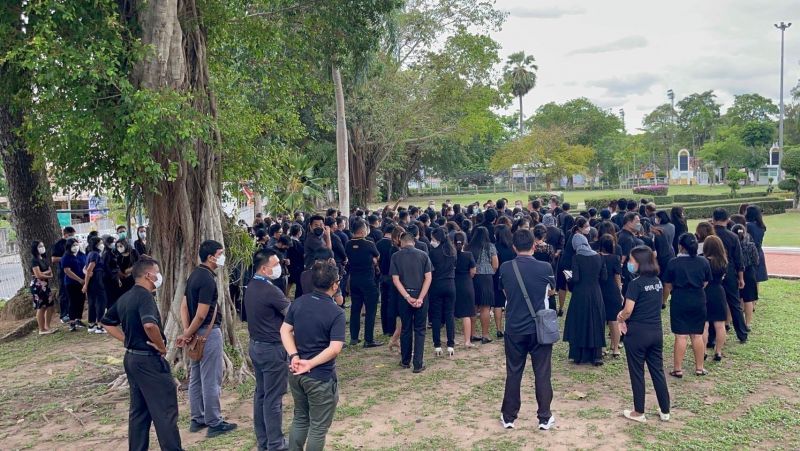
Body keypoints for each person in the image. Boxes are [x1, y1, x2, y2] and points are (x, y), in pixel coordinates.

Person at [100, 258, 183, 451]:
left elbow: (107, 322)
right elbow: (149, 325)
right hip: (148, 360)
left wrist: (126, 340)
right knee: (165, 411)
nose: (159, 276)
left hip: (132, 358)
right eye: (157, 272)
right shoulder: (145, 297)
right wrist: (161, 346)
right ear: (148, 275)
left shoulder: (126, 297)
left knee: (139, 411)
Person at [280, 261, 345, 451]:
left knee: (300, 418)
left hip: (297, 374)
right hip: (320, 378)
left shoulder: (298, 302)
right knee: (318, 427)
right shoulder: (336, 313)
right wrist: (309, 363)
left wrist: (294, 356)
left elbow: (284, 331)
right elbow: (334, 349)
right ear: (335, 284)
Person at [177, 240, 237, 437]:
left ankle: (198, 418)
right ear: (211, 257)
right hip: (208, 333)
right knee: (211, 378)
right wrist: (188, 334)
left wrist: (188, 332)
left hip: (195, 333)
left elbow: (184, 306)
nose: (222, 257)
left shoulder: (194, 275)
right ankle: (214, 421)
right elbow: (202, 313)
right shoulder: (207, 279)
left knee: (196, 377)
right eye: (221, 253)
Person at [498, 229, 556, 431]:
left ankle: (509, 416)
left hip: (514, 327)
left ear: (514, 247)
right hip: (540, 328)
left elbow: (505, 291)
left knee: (514, 372)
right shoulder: (545, 267)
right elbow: (551, 290)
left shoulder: (506, 268)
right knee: (542, 372)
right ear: (534, 246)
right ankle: (544, 417)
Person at [616, 246, 670, 423]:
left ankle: (639, 412)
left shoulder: (635, 284)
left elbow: (629, 309)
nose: (629, 264)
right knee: (658, 371)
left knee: (637, 372)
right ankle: (665, 410)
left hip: (637, 333)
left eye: (631, 261)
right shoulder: (657, 281)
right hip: (656, 331)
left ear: (639, 263)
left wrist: (621, 317)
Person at [245, 249, 290, 451]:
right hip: (272, 349)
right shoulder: (271, 290)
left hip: (256, 346)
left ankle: (264, 441)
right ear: (264, 268)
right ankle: (275, 444)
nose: (279, 267)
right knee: (273, 398)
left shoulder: (252, 286)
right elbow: (291, 315)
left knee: (262, 395)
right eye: (276, 264)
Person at [663, 234, 712, 377]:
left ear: (681, 246)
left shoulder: (673, 262)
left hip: (680, 298)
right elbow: (705, 282)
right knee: (697, 335)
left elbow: (667, 284)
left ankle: (678, 369)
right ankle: (699, 367)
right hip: (698, 298)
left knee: (681, 336)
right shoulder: (703, 262)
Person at [563, 231, 607, 366]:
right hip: (595, 292)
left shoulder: (577, 257)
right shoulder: (599, 256)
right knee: (595, 320)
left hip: (580, 293)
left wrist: (568, 278)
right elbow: (604, 277)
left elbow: (575, 278)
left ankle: (579, 355)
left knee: (580, 321)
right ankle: (596, 355)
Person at [391, 232, 433, 373]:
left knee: (406, 328)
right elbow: (428, 278)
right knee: (420, 330)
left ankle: (405, 360)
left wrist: (407, 297)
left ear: (401, 242)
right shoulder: (423, 255)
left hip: (404, 297)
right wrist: (420, 297)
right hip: (421, 295)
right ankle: (418, 363)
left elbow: (395, 280)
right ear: (413, 242)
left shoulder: (396, 256)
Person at [709, 209, 748, 345]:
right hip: (729, 271)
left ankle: (710, 337)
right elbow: (739, 260)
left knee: (711, 304)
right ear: (727, 219)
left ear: (713, 219)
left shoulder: (709, 235)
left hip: (711, 272)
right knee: (735, 303)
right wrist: (741, 278)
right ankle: (742, 333)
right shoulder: (732, 236)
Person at [344, 219, 382, 348]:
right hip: (368, 280)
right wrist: (373, 260)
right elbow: (377, 257)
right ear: (362, 231)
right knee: (370, 311)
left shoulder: (348, 244)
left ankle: (354, 338)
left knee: (355, 308)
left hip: (354, 280)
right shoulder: (369, 243)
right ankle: (368, 339)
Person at [428, 228, 457, 357]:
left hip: (436, 285)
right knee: (450, 315)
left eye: (433, 239)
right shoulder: (452, 251)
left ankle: (437, 345)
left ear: (437, 239)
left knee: (436, 316)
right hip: (450, 284)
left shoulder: (433, 253)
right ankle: (450, 344)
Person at [466, 226, 498, 343]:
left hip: (472, 278)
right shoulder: (490, 246)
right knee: (485, 307)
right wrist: (490, 272)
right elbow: (495, 264)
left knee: (473, 307)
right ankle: (485, 335)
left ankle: (472, 333)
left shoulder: (468, 247)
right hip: (486, 278)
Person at [702, 236, 729, 361]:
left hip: (705, 292)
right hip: (719, 291)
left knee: (704, 324)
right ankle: (718, 352)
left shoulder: (704, 260)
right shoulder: (723, 261)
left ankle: (703, 351)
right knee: (720, 324)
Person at [597, 234, 623, 357]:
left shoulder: (596, 257)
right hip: (612, 289)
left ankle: (602, 347)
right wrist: (620, 291)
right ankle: (616, 348)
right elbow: (617, 276)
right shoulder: (615, 258)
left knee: (600, 320)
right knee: (614, 321)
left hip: (599, 289)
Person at [732, 224, 759, 329]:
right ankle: (748, 323)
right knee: (748, 299)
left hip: (735, 272)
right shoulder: (751, 245)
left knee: (735, 299)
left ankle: (729, 322)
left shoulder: (732, 245)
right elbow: (756, 261)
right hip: (749, 272)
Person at [453, 232, 477, 348]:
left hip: (453, 283)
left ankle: (451, 339)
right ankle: (467, 341)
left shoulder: (451, 255)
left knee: (451, 313)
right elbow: (473, 271)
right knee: (466, 314)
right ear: (464, 242)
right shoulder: (468, 255)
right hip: (466, 283)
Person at [376, 224, 401, 338]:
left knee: (384, 303)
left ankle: (385, 328)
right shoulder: (395, 248)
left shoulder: (379, 244)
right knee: (392, 303)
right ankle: (391, 329)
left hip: (383, 275)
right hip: (392, 278)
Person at [83, 236, 109, 334]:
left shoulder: (90, 254)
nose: (102, 245)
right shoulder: (95, 255)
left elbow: (85, 269)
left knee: (92, 303)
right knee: (100, 303)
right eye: (100, 243)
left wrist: (86, 283)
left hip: (93, 282)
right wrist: (85, 284)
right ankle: (100, 325)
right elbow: (89, 269)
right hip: (97, 281)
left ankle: (91, 324)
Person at [493, 225, 515, 337]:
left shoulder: (495, 247)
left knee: (497, 304)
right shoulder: (513, 247)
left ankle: (498, 329)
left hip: (498, 276)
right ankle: (509, 327)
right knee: (511, 302)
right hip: (512, 276)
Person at [51, 226, 76, 323]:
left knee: (72, 293)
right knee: (64, 293)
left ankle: (72, 313)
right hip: (63, 272)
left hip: (74, 271)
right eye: (70, 235)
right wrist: (66, 258)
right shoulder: (58, 244)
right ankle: (64, 314)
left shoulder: (73, 243)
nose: (72, 237)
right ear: (65, 234)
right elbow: (53, 259)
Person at [30, 240, 56, 334]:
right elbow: (38, 275)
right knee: (41, 307)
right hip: (38, 286)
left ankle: (47, 326)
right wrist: (46, 274)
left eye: (43, 245)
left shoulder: (43, 259)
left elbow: (48, 271)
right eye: (40, 246)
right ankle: (41, 329)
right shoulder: (34, 260)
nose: (42, 248)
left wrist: (44, 274)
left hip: (45, 284)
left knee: (50, 306)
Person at [62, 237, 87, 331]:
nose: (75, 247)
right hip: (71, 283)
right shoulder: (66, 257)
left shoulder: (82, 255)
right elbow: (67, 271)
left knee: (81, 300)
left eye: (76, 245)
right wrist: (79, 279)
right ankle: (72, 322)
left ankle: (78, 319)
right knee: (73, 302)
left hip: (82, 282)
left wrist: (84, 279)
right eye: (73, 245)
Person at [745, 205, 768, 287]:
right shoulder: (761, 226)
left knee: (749, 279)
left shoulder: (748, 226)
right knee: (756, 280)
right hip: (759, 252)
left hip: (750, 253)